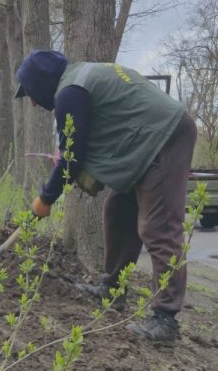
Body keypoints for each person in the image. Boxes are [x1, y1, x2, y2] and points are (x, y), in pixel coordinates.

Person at [16, 49, 197, 343]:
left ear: (42, 83)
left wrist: (45, 199)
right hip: (144, 141)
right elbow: (89, 142)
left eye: (32, 93)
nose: (34, 102)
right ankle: (113, 289)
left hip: (165, 136)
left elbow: (72, 157)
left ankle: (166, 319)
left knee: (159, 228)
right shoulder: (78, 79)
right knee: (117, 211)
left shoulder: (70, 93)